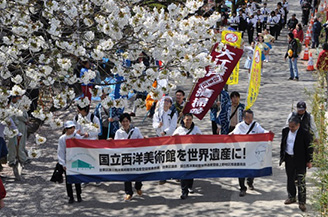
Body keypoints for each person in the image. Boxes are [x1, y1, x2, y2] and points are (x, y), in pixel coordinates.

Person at [230, 109, 269, 197]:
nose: (250, 119)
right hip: (242, 151)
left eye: (251, 117)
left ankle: (250, 181)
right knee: (241, 171)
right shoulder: (239, 126)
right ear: (243, 118)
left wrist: (268, 133)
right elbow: (233, 136)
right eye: (248, 117)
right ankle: (242, 188)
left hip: (253, 151)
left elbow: (263, 132)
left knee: (253, 168)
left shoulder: (256, 125)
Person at [280, 115, 313, 212]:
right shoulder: (285, 131)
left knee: (301, 180)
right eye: (290, 126)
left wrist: (309, 161)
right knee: (290, 178)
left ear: (298, 125)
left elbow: (309, 148)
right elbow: (283, 144)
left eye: (293, 127)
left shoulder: (305, 133)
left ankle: (302, 201)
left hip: (300, 160)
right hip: (289, 158)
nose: (291, 128)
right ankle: (291, 196)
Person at [114, 113, 144, 201]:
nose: (125, 123)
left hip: (135, 155)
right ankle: (128, 192)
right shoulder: (118, 132)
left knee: (138, 173)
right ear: (121, 123)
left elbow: (141, 141)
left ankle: (138, 187)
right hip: (125, 156)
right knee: (127, 175)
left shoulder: (136, 130)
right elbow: (115, 144)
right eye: (123, 121)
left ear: (129, 122)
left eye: (127, 121)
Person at [173, 113, 202, 199]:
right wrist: (175, 137)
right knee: (184, 172)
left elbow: (203, 139)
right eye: (187, 120)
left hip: (192, 153)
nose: (188, 121)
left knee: (191, 171)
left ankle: (189, 186)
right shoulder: (179, 129)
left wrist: (199, 137)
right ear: (183, 120)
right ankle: (184, 191)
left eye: (190, 119)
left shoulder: (196, 129)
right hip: (182, 154)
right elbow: (172, 140)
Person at [153, 96, 177, 184]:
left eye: (168, 101)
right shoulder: (157, 113)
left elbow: (173, 126)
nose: (166, 102)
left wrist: (165, 132)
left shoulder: (173, 113)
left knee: (171, 157)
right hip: (159, 138)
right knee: (161, 157)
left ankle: (174, 175)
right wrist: (158, 126)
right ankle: (163, 176)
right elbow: (154, 124)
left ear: (170, 104)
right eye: (165, 100)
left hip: (169, 138)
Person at [58, 121, 84, 204]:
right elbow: (61, 151)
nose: (71, 130)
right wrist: (63, 163)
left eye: (73, 127)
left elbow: (83, 145)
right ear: (66, 129)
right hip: (67, 161)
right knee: (68, 180)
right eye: (69, 128)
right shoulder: (62, 138)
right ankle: (71, 196)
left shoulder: (77, 136)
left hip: (76, 160)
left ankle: (79, 195)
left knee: (77, 179)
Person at [7, 95, 30, 167]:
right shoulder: (11, 106)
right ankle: (12, 160)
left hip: (21, 126)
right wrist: (25, 120)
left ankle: (21, 158)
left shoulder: (19, 104)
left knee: (21, 142)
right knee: (13, 144)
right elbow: (19, 115)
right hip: (15, 126)